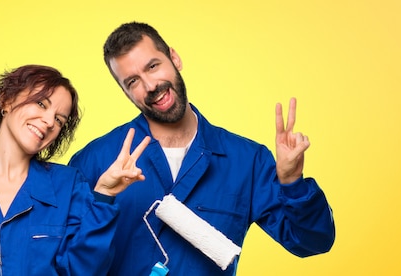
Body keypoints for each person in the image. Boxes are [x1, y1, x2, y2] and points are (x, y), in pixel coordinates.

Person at [68, 22, 335, 275]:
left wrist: (292, 183)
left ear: (175, 58)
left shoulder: (246, 161)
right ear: (125, 92)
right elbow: (67, 262)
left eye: (152, 66)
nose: (150, 86)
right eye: (132, 82)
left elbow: (312, 242)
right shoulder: (94, 162)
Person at [0, 64, 150, 275]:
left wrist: (104, 198)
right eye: (41, 104)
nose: (48, 121)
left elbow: (85, 270)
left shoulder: (69, 185)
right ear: (7, 100)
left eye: (58, 120)